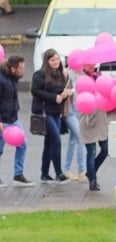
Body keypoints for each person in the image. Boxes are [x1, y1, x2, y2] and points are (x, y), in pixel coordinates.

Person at [31, 49, 73, 183]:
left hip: (56, 112)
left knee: (49, 143)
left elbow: (60, 94)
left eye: (57, 59)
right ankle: (58, 173)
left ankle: (44, 173)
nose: (55, 62)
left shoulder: (61, 75)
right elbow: (35, 91)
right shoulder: (40, 74)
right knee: (56, 141)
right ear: (47, 61)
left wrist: (65, 95)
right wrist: (54, 97)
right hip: (45, 112)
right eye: (52, 60)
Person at [78, 69, 109, 191]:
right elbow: (78, 99)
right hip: (87, 120)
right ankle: (93, 181)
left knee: (105, 149)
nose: (92, 67)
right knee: (91, 151)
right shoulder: (81, 79)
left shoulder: (100, 76)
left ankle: (91, 172)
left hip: (100, 121)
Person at [0, 55, 29, 185]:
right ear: (13, 68)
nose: (23, 71)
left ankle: (18, 174)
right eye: (21, 68)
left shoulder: (14, 78)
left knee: (22, 144)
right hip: (3, 120)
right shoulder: (1, 79)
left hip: (13, 118)